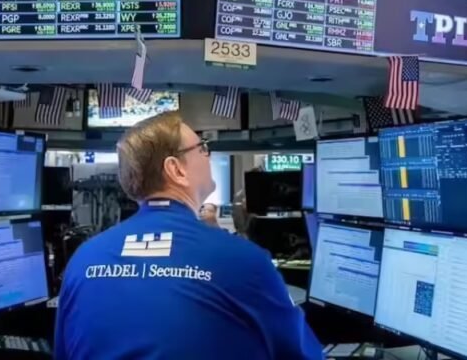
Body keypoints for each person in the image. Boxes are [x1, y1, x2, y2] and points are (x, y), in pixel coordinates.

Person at [55, 112, 323, 359]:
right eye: (202, 147)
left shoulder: (83, 260)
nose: (208, 155)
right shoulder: (244, 260)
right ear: (176, 169)